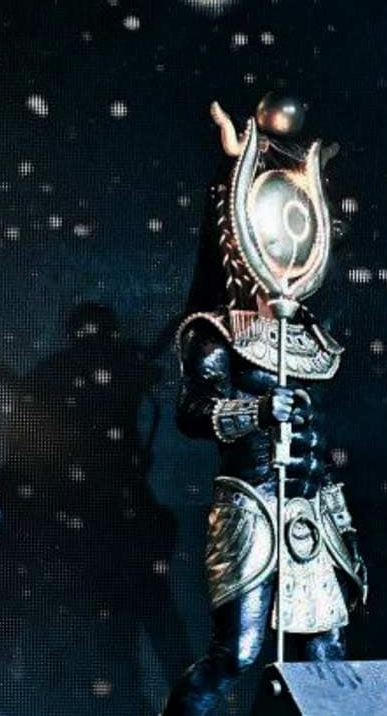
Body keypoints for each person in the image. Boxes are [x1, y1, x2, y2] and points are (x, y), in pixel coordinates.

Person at [162, 94, 367, 715]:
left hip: (312, 511)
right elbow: (192, 412)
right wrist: (253, 413)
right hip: (252, 505)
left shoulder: (310, 335)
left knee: (327, 660)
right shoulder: (217, 332)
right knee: (239, 653)